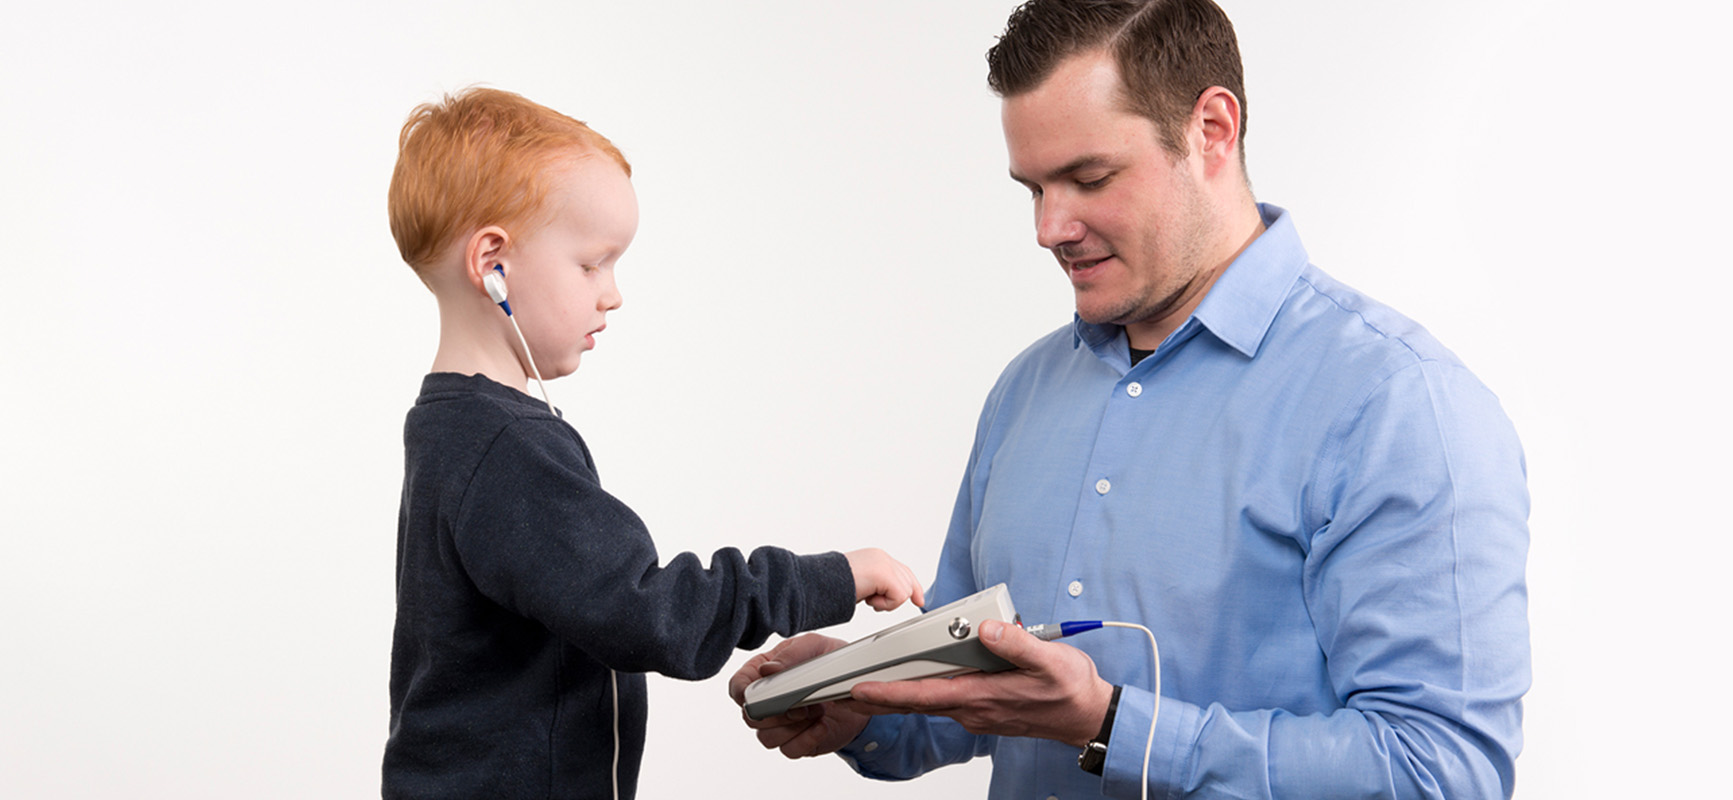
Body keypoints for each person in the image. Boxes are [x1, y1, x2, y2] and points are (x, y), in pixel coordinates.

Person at [729, 1, 1530, 797]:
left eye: (1088, 178)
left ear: (1210, 130)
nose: (1049, 228)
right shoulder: (1025, 391)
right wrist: (863, 700)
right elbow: (983, 690)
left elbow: (1440, 772)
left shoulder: (1397, 404)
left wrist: (1111, 725)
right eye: (1033, 188)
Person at [381, 87, 925, 800]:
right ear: (492, 263)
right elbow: (647, 614)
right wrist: (832, 577)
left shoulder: (453, 426)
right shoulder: (506, 448)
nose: (612, 294)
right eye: (592, 263)